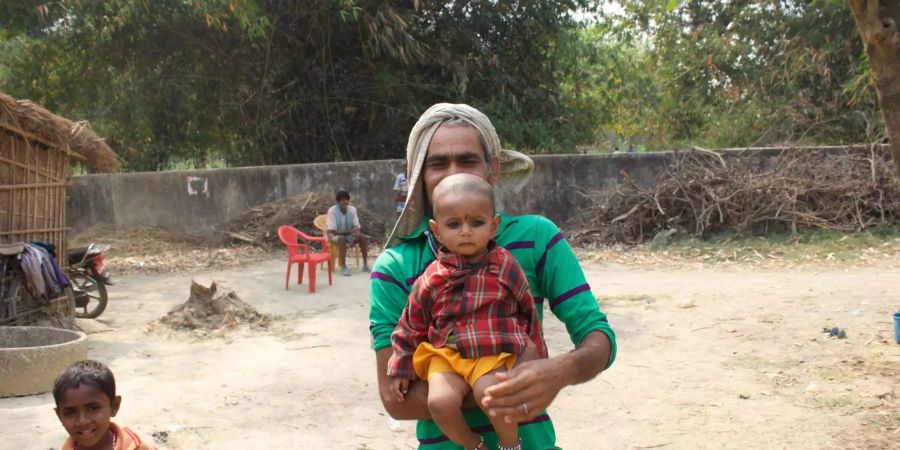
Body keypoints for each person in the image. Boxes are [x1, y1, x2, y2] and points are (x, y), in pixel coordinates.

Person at [369, 103, 617, 449]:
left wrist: (559, 371)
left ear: (493, 168)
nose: (454, 173)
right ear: (417, 175)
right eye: (437, 163)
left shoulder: (538, 238)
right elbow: (397, 400)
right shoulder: (394, 267)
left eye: (468, 160)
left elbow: (599, 337)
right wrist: (502, 381)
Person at [387, 174, 546, 450]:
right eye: (453, 224)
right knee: (439, 402)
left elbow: (527, 308)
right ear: (437, 231)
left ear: (494, 225)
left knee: (492, 393)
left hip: (490, 350)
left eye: (477, 222)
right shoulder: (432, 277)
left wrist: (536, 354)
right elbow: (410, 324)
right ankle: (474, 445)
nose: (465, 231)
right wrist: (401, 365)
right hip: (446, 355)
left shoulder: (504, 266)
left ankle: (510, 445)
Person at [54, 360, 157, 450]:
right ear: (59, 416)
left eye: (93, 408)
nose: (82, 421)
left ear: (114, 406)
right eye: (70, 412)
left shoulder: (140, 448)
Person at [326, 190, 370, 276]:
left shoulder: (352, 209)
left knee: (363, 238)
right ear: (338, 201)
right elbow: (333, 231)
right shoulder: (332, 211)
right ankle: (343, 266)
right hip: (333, 235)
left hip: (348, 233)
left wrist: (357, 232)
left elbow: (356, 226)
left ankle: (365, 265)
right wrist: (350, 231)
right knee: (341, 239)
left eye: (347, 200)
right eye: (342, 200)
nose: (345, 202)